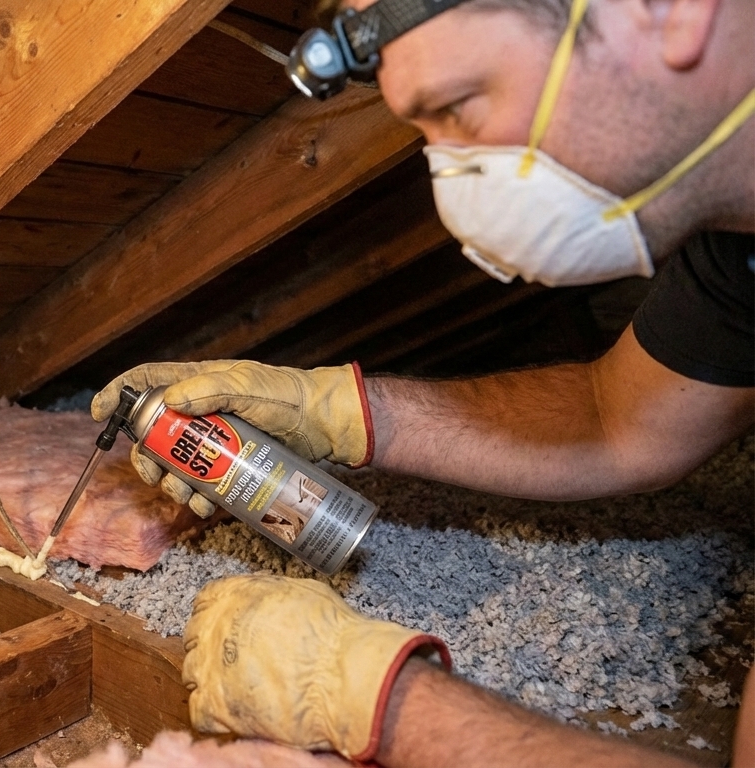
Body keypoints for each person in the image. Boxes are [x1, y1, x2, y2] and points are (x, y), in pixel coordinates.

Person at [91, 0, 754, 764]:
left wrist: (379, 701)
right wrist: (334, 409)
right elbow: (622, 420)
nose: (458, 190)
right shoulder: (736, 253)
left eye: (459, 105)